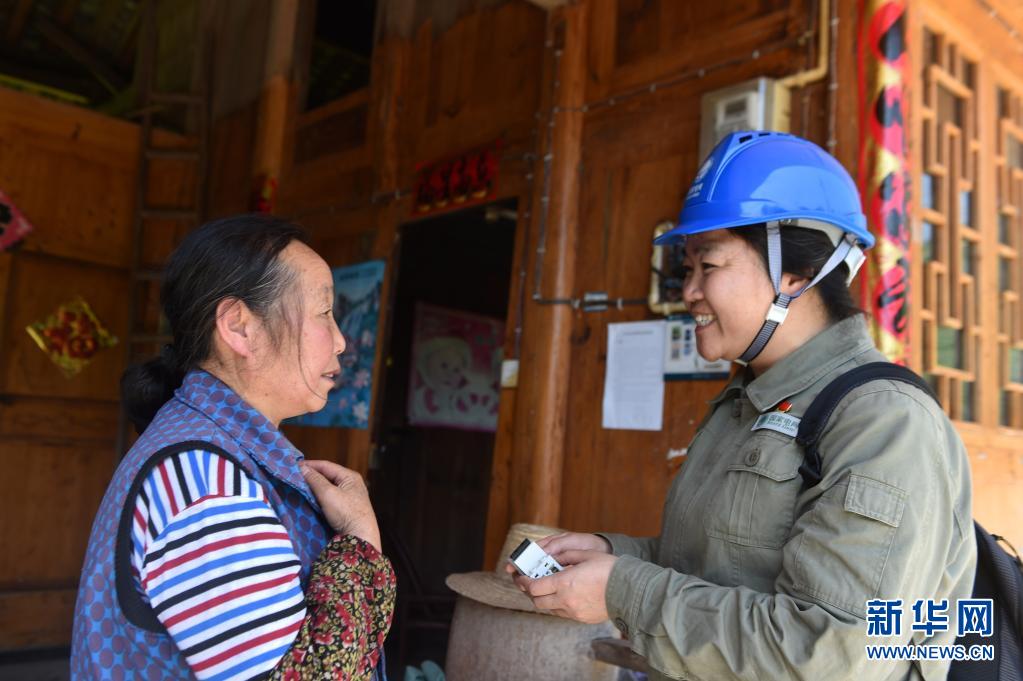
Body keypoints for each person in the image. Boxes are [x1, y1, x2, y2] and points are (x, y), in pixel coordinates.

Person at [509, 131, 977, 680]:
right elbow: (722, 567)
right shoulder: (748, 399)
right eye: (687, 270)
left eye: (708, 265)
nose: (688, 292)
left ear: (795, 274)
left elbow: (828, 655)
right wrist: (614, 555)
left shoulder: (884, 421)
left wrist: (623, 588)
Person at [71, 215, 395, 680]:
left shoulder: (207, 452)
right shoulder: (206, 485)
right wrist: (361, 540)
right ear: (239, 327)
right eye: (324, 312)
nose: (341, 341)